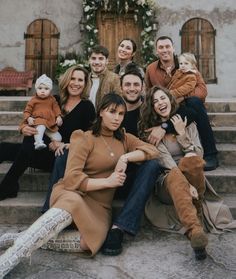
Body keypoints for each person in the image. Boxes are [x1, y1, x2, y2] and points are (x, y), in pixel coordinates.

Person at [0, 93, 158, 277]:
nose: (117, 118)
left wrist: (126, 157)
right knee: (72, 203)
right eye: (112, 112)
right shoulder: (84, 137)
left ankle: (17, 238)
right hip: (76, 193)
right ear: (101, 112)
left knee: (89, 243)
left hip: (100, 207)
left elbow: (153, 151)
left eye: (121, 114)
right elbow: (72, 178)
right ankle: (7, 261)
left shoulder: (124, 138)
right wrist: (107, 181)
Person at [101, 70, 198, 256]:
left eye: (136, 84)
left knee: (152, 165)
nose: (132, 88)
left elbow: (184, 112)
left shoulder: (147, 110)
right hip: (110, 171)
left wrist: (164, 126)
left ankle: (119, 228)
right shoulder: (113, 110)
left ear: (142, 87)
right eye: (127, 84)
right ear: (121, 88)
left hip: (139, 175)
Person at [139, 85, 236, 260]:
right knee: (176, 174)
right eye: (155, 101)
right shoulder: (151, 131)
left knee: (191, 161)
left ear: (169, 99)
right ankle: (194, 227)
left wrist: (182, 135)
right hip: (167, 181)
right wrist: (187, 184)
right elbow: (166, 163)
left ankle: (195, 229)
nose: (160, 103)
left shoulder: (186, 122)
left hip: (192, 174)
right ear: (151, 107)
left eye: (163, 98)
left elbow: (197, 154)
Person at [0, 65, 95, 201]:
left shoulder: (87, 107)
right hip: (42, 149)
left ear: (85, 84)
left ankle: (8, 185)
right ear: (66, 80)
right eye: (72, 79)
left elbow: (88, 139)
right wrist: (23, 128)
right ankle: (10, 184)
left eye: (80, 80)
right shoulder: (54, 99)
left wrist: (64, 144)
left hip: (63, 157)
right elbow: (32, 118)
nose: (75, 83)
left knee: (26, 145)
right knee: (4, 147)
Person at [145, 36, 219, 171]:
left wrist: (179, 96)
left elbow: (202, 91)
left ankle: (211, 154)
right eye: (161, 47)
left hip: (185, 108)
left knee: (195, 102)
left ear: (173, 48)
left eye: (167, 46)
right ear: (156, 51)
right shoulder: (151, 69)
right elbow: (148, 92)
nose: (164, 50)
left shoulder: (185, 63)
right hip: (163, 110)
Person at [22, 74, 63, 150]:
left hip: (50, 124)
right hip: (38, 121)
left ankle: (52, 146)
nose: (43, 91)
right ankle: (38, 142)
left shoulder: (52, 99)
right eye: (40, 88)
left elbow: (56, 108)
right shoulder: (33, 100)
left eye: (46, 88)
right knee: (41, 128)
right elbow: (27, 111)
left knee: (58, 137)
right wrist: (28, 118)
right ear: (36, 89)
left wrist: (58, 116)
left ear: (50, 90)